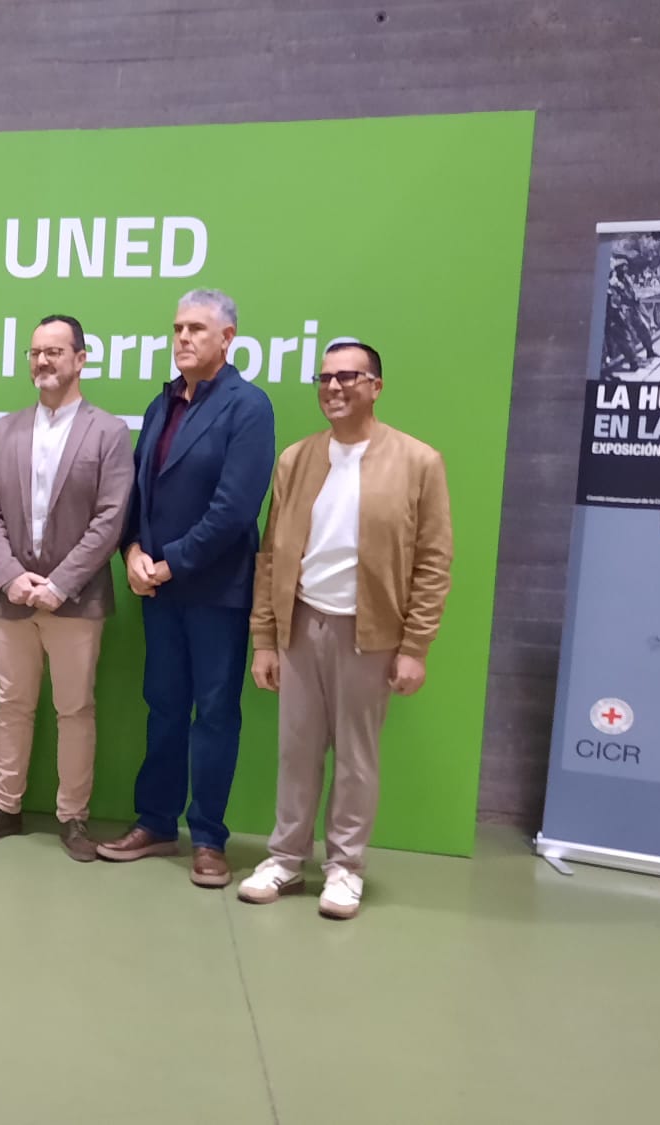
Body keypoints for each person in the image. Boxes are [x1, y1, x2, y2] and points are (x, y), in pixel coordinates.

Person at [239, 341, 452, 920]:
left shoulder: (418, 462)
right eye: (325, 378)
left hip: (372, 634)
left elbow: (433, 561)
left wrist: (415, 647)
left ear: (376, 386)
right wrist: (265, 637)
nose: (333, 388)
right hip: (301, 625)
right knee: (296, 751)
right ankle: (285, 859)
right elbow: (270, 555)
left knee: (357, 758)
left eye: (348, 378)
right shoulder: (297, 459)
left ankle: (345, 868)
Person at [101, 289, 275, 888]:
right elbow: (139, 492)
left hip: (215, 590)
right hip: (157, 589)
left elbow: (235, 508)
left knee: (216, 714)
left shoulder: (249, 407)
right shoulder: (162, 404)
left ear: (228, 338)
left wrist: (170, 562)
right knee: (165, 707)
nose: (183, 338)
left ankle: (208, 838)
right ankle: (155, 823)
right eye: (177, 328)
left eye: (196, 329)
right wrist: (130, 550)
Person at [0, 315, 133, 862]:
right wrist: (11, 576)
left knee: (74, 709)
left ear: (80, 359)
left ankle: (73, 817)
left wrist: (60, 583)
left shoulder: (108, 432)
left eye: (54, 352)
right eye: (36, 352)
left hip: (75, 601)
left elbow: (110, 519)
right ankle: (4, 806)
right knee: (10, 705)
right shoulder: (6, 429)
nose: (42, 362)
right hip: (12, 599)